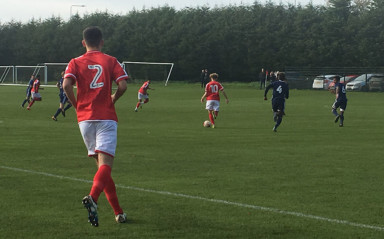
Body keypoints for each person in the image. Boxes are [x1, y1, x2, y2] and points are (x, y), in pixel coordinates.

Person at [63, 26, 129, 227]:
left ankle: (118, 212)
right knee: (106, 166)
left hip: (85, 120)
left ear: (83, 43)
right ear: (102, 41)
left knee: (102, 168)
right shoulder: (110, 60)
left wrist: (77, 107)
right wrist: (113, 99)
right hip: (106, 117)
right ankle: (93, 197)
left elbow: (66, 85)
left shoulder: (75, 62)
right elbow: (123, 86)